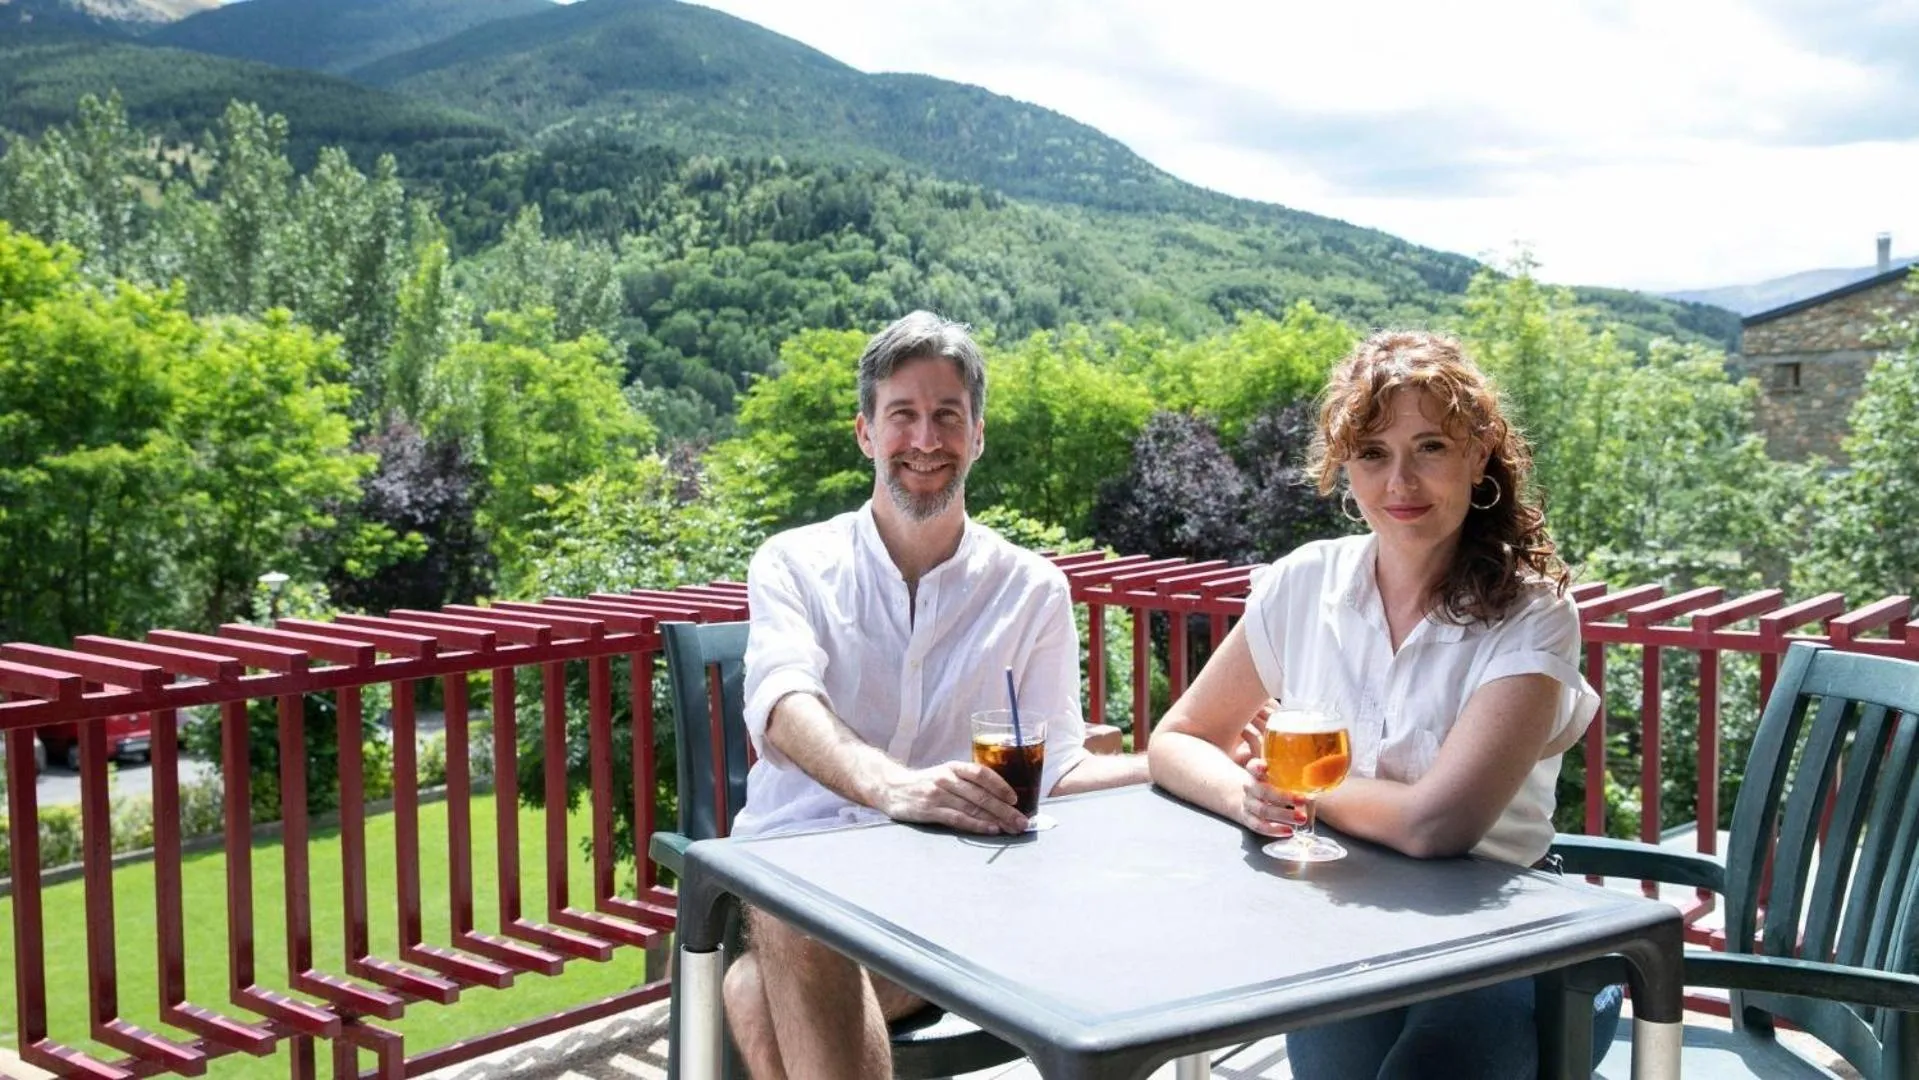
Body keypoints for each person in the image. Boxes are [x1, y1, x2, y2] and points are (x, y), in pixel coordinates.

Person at [1147, 330, 1622, 1079]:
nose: (1400, 480)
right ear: (1344, 469)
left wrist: (1302, 788)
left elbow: (1439, 825)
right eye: (1371, 453)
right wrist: (1248, 797)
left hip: (1507, 936)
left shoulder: (1531, 614)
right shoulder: (1303, 583)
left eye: (1429, 447)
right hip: (1347, 928)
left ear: (1478, 455)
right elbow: (1177, 741)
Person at [723, 310, 1150, 1079]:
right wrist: (894, 786)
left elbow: (1057, 767)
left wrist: (1185, 762)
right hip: (804, 864)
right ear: (865, 433)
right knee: (800, 916)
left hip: (951, 890)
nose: (925, 440)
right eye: (904, 416)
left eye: (947, 416)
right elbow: (785, 706)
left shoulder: (1031, 589)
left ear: (977, 435)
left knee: (758, 989)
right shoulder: (792, 562)